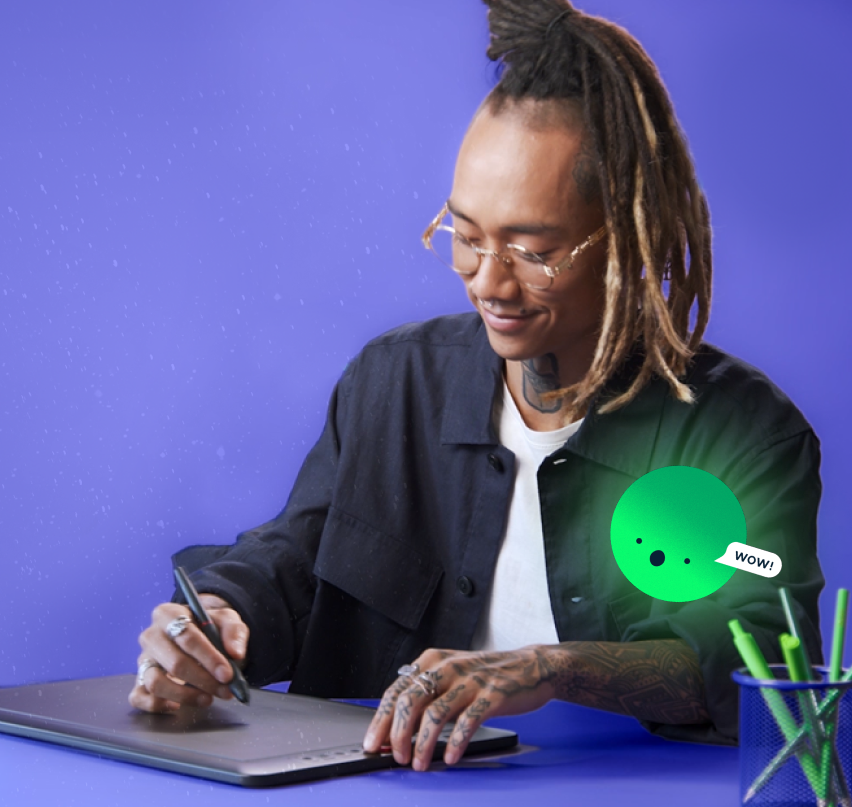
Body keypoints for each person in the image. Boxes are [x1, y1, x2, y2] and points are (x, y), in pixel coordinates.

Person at [128, 0, 823, 772]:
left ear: (629, 239)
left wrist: (549, 667)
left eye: (531, 251)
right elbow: (299, 550)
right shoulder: (391, 381)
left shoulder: (743, 433)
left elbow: (756, 658)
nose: (486, 281)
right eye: (463, 235)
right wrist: (219, 614)